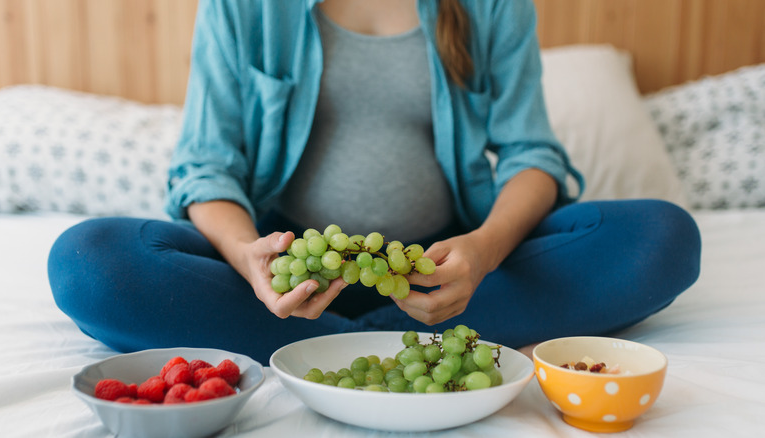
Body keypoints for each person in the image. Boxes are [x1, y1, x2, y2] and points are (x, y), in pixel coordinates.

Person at [48, 0, 701, 366]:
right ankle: (372, 345)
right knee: (89, 262)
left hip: (449, 271)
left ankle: (329, 350)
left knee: (662, 237)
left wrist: (483, 252)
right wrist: (249, 258)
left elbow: (534, 157)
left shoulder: (491, 7)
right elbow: (205, 168)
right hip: (284, 274)